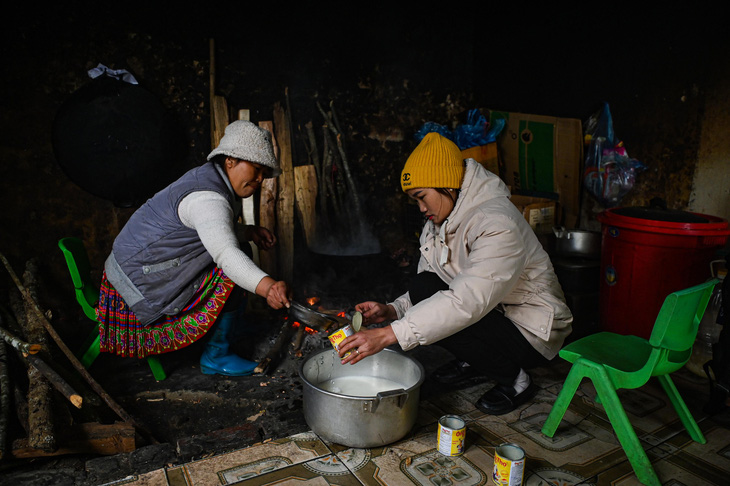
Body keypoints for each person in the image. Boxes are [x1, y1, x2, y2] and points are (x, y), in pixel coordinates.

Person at [338, 132, 573, 415]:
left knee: (444, 304)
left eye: (422, 196)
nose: (421, 208)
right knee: (425, 285)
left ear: (447, 186)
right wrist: (392, 310)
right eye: (415, 200)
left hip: (532, 329)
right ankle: (475, 359)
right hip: (495, 313)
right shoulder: (440, 221)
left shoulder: (497, 222)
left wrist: (389, 335)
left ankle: (516, 379)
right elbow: (431, 285)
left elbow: (466, 301)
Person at [96, 120, 291, 376]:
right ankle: (216, 355)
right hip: (134, 286)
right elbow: (225, 253)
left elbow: (202, 231)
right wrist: (268, 287)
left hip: (134, 268)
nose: (259, 179)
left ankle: (228, 331)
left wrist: (249, 231)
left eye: (264, 174)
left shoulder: (208, 178)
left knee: (241, 247)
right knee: (231, 268)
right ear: (230, 160)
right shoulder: (208, 197)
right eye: (255, 169)